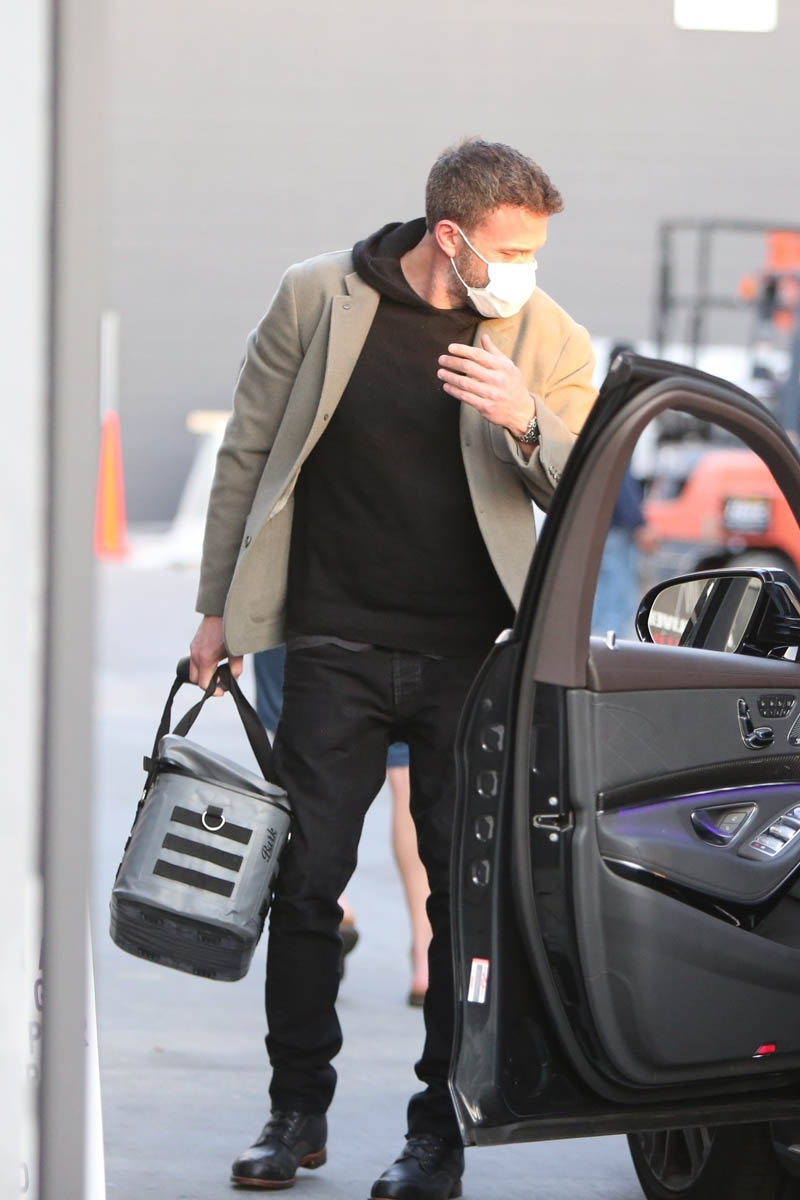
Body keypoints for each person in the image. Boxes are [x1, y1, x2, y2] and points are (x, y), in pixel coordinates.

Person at [189, 137, 596, 1200]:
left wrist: (525, 418)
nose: (525, 269)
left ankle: (437, 1134)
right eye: (511, 248)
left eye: (536, 250)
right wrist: (214, 609)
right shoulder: (318, 298)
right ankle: (294, 1114)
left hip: (473, 660)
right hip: (332, 645)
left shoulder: (546, 337)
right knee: (303, 885)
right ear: (449, 236)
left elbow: (587, 489)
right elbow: (248, 451)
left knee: (462, 905)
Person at [253, 644, 431, 1001]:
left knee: (303, 752)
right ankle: (426, 956)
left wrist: (218, 623)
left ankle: (336, 901)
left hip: (303, 622)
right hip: (403, 626)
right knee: (407, 776)